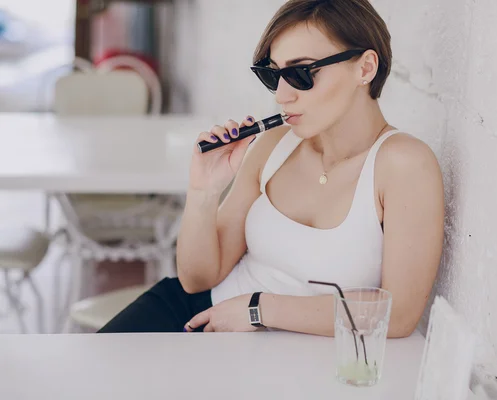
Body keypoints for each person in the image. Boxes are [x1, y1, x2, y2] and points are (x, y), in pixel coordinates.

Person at [98, 0, 445, 336]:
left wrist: (260, 309)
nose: (281, 95)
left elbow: (397, 316)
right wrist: (204, 191)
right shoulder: (274, 145)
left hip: (269, 347)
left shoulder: (404, 164)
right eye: (273, 75)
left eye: (300, 73)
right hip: (196, 314)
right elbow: (198, 279)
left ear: (365, 68)